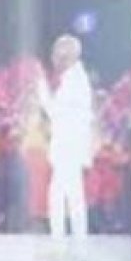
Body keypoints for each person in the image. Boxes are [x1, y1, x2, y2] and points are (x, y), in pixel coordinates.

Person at [36, 33, 96, 241]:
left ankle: (64, 241)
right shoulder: (74, 78)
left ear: (66, 56)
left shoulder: (74, 81)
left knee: (63, 195)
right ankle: (72, 241)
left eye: (57, 53)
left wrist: (42, 90)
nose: (53, 58)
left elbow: (55, 112)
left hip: (69, 146)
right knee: (68, 194)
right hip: (70, 145)